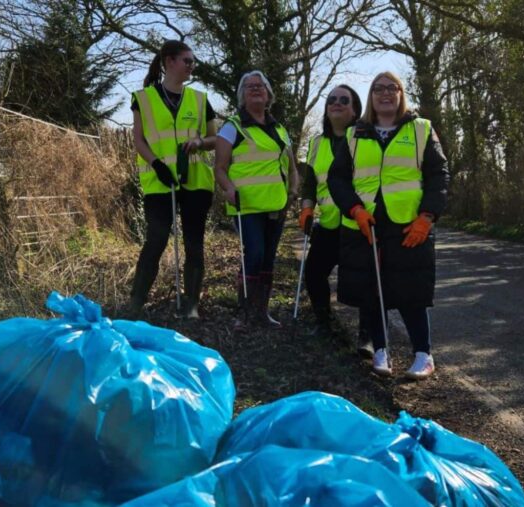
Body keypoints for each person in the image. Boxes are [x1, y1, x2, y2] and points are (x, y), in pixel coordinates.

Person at [328, 71, 449, 380]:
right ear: (371, 96)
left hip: (409, 224)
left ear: (400, 93)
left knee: (412, 291)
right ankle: (380, 351)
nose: (384, 94)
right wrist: (354, 209)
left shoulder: (422, 129)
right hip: (365, 223)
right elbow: (337, 178)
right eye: (378, 89)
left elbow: (439, 176)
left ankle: (423, 355)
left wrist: (427, 217)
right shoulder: (356, 133)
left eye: (390, 88)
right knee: (373, 289)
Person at [128, 40, 218, 319]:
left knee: (193, 241)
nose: (192, 66)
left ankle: (192, 304)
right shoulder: (143, 98)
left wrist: (200, 142)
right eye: (187, 61)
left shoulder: (201, 100)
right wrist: (156, 165)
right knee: (155, 238)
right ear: (169, 61)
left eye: (193, 62)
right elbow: (139, 140)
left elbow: (216, 139)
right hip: (159, 181)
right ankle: (135, 304)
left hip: (195, 182)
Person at [214, 70, 299, 328]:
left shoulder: (280, 129)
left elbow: (292, 167)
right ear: (242, 95)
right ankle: (246, 312)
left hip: (276, 204)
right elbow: (219, 167)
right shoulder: (232, 127)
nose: (255, 89)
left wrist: (293, 192)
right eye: (249, 86)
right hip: (246, 204)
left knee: (268, 258)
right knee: (254, 254)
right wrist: (228, 189)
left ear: (269, 93)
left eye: (260, 86)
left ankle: (262, 312)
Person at [298, 85, 369, 345]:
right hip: (328, 223)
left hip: (358, 223)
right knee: (314, 273)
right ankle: (323, 322)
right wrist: (306, 207)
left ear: (355, 109)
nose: (336, 103)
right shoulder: (317, 143)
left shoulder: (365, 137)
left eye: (343, 100)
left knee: (363, 279)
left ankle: (367, 335)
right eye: (331, 100)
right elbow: (310, 182)